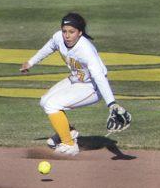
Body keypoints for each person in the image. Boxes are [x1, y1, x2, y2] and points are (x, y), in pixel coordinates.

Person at [20, 12, 131, 156]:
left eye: (72, 32)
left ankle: (69, 144)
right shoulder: (58, 37)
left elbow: (99, 77)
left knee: (52, 105)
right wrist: (31, 62)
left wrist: (111, 103)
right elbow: (49, 47)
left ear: (80, 33)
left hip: (91, 87)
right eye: (64, 31)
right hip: (75, 79)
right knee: (44, 101)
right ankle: (69, 132)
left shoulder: (86, 50)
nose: (67, 35)